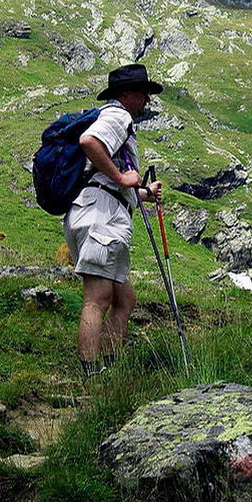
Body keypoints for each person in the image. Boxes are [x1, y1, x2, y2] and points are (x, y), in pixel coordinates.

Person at [64, 63, 163, 380]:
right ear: (128, 93)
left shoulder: (122, 121)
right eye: (143, 93)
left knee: (125, 299)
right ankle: (91, 374)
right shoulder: (117, 115)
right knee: (97, 298)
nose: (146, 100)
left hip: (106, 211)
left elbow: (111, 181)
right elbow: (89, 142)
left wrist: (143, 192)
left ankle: (109, 365)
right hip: (101, 216)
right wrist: (121, 176)